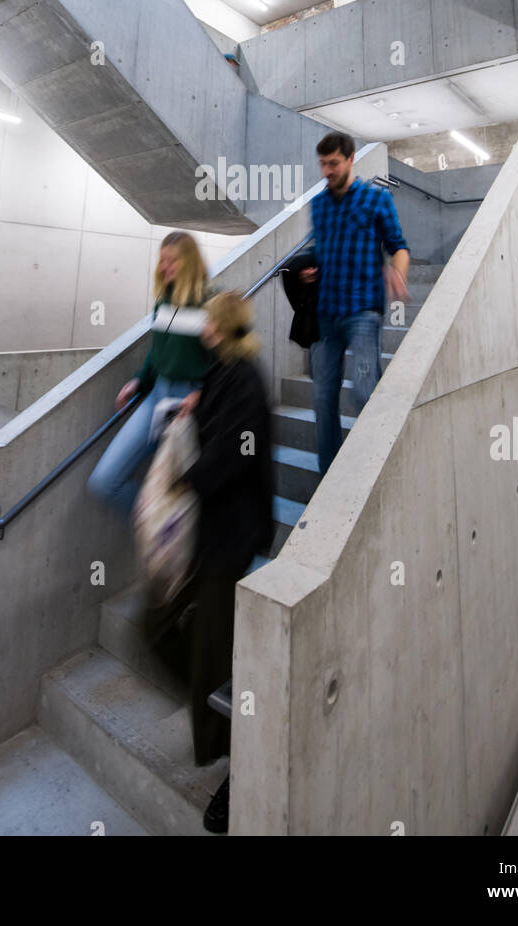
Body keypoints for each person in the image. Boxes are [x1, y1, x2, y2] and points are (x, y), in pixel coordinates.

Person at [143, 290, 274, 835]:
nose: (201, 331)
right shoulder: (224, 371)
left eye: (208, 324)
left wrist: (182, 480)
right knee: (159, 630)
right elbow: (213, 413)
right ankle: (218, 719)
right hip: (209, 531)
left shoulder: (245, 377)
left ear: (222, 327)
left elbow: (237, 452)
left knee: (212, 654)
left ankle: (245, 763)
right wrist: (190, 405)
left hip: (231, 533)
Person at [300, 132, 410, 475]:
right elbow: (319, 248)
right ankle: (330, 476)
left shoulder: (376, 199)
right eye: (322, 164)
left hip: (363, 311)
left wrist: (398, 271)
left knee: (364, 392)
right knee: (322, 400)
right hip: (326, 314)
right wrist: (310, 267)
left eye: (333, 164)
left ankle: (372, 470)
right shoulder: (318, 205)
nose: (326, 171)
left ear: (350, 160)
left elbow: (399, 246)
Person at [87, 232, 215, 517]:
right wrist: (138, 380)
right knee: (104, 481)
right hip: (157, 394)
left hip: (189, 405)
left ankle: (187, 532)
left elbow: (226, 362)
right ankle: (162, 523)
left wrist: (201, 393)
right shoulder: (164, 301)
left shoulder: (209, 302)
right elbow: (158, 350)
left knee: (191, 488)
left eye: (173, 261)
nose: (164, 267)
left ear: (190, 263)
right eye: (162, 261)